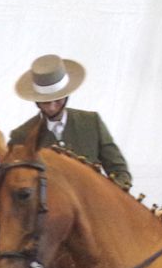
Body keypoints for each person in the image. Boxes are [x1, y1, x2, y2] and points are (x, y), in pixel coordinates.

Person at [8, 53, 132, 189]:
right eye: (46, 102)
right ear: (36, 101)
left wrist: (110, 197)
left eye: (58, 99)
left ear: (67, 95)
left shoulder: (91, 123)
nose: (51, 107)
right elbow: (14, 184)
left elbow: (120, 171)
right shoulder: (21, 136)